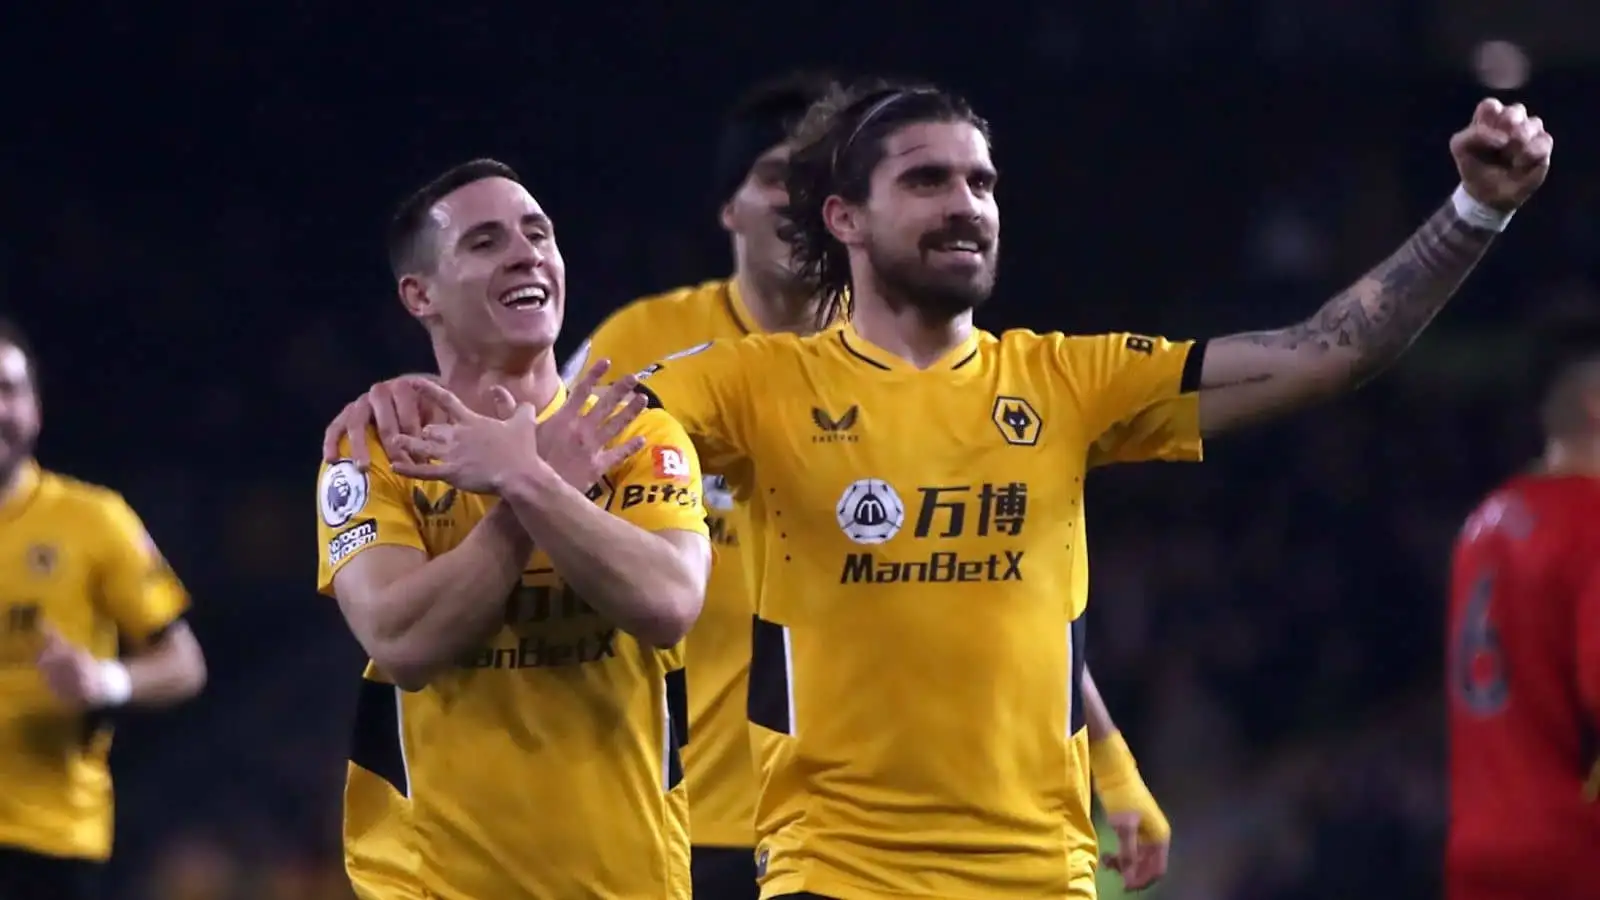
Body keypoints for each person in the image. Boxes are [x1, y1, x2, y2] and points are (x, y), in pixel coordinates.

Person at [330, 83, 1549, 899]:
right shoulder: (744, 387)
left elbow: (1329, 349)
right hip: (834, 874)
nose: (965, 203)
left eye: (982, 181)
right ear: (846, 219)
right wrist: (414, 405)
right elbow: (562, 413)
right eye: (928, 180)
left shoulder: (1068, 381)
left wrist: (1473, 211)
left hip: (1043, 874)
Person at [314, 159, 713, 900]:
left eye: (539, 234)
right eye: (485, 241)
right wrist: (532, 490)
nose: (527, 253)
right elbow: (402, 644)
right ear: (419, 294)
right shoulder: (375, 447)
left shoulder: (635, 430)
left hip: (628, 881)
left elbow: (667, 604)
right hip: (433, 883)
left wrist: (529, 476)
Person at [0, 318, 207, 900]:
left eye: (9, 389)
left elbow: (184, 664)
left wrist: (104, 681)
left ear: (35, 409)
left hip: (48, 844)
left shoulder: (93, 521)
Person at [1444, 314, 1600, 900]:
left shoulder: (1483, 522)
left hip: (1477, 846)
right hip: (1570, 846)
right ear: (1594, 405)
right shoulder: (1591, 518)